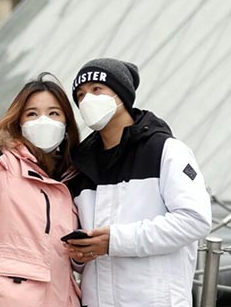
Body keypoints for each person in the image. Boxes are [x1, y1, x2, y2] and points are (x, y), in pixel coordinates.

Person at [63, 58, 212, 307]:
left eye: (97, 89)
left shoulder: (165, 150)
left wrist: (115, 241)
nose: (87, 99)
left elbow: (195, 220)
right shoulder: (79, 165)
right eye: (80, 94)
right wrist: (80, 253)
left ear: (121, 95)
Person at [0, 74, 81, 306]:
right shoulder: (0, 164)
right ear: (19, 121)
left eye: (54, 113)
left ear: (66, 124)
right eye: (32, 113)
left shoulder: (72, 177)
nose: (43, 120)